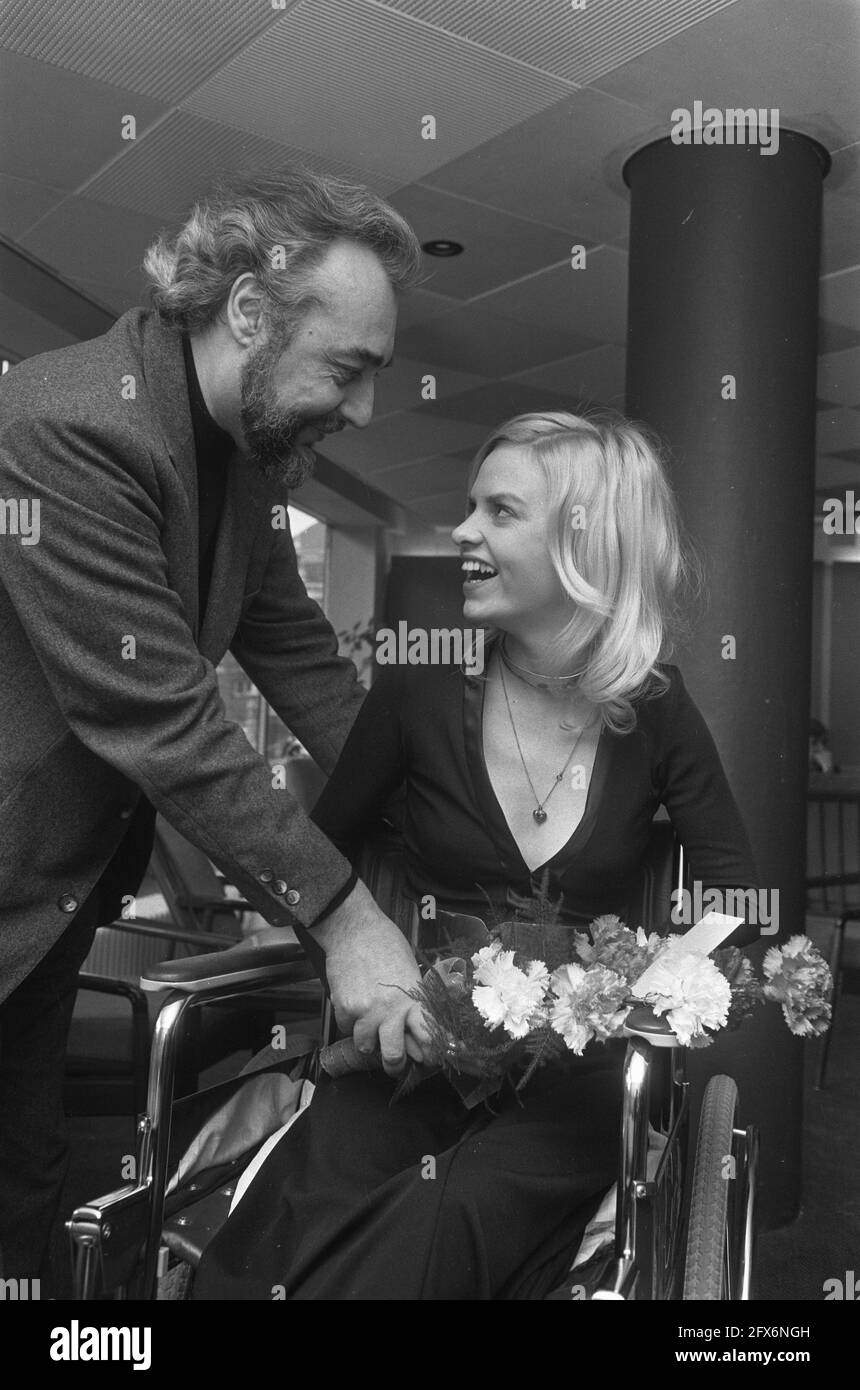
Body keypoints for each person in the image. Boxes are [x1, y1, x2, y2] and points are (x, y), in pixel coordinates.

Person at [192, 410, 759, 1302]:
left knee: (444, 1220)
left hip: (573, 1087)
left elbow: (744, 907)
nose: (461, 531)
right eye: (470, 506)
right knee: (306, 1209)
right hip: (415, 1055)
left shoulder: (657, 712)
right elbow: (312, 865)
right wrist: (362, 976)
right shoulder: (418, 691)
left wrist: (649, 990)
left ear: (584, 543)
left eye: (499, 512)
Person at [0, 167, 433, 1290]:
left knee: (22, 1183)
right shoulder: (67, 422)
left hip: (41, 906)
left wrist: (444, 818)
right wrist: (345, 918)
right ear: (249, 312)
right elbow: (161, 716)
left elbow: (300, 662)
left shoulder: (241, 461)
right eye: (349, 367)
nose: (363, 409)